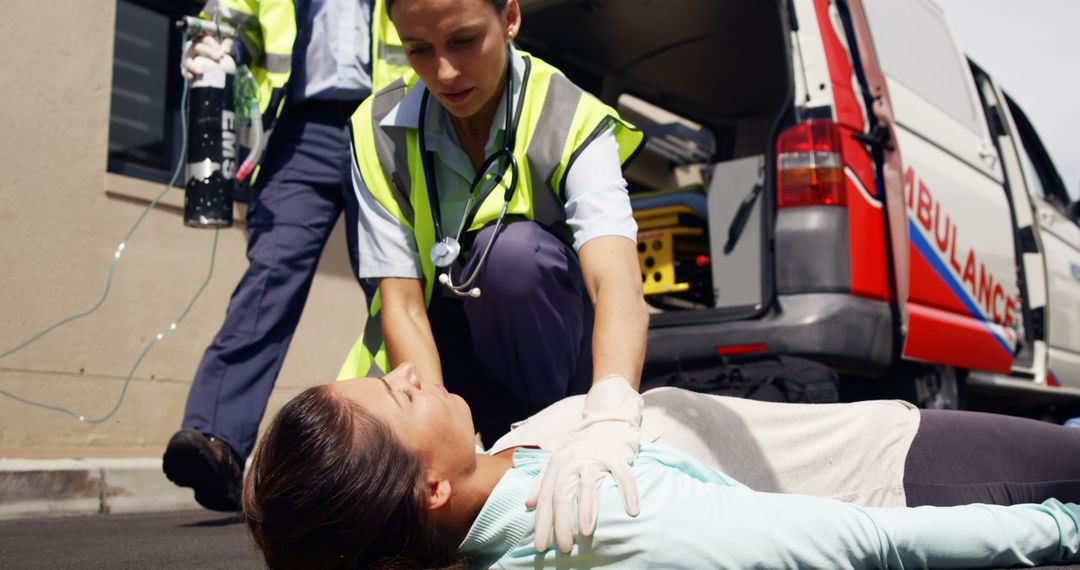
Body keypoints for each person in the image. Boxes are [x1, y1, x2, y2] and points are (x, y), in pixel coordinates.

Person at [338, 0, 649, 547]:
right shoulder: (374, 130)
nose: (445, 73)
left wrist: (611, 417)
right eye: (419, 50)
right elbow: (403, 303)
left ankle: (537, 451)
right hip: (436, 358)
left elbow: (616, 278)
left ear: (510, 18)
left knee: (512, 259)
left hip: (546, 361)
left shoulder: (569, 115)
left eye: (463, 42)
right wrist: (432, 449)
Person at [242, 368, 1080, 569]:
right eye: (397, 393)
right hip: (894, 472)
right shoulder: (590, 516)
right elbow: (854, 538)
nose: (411, 371)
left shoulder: (490, 491)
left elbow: (300, 515)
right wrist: (1061, 528)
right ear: (427, 487)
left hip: (866, 444)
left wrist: (271, 504)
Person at [162, 0, 410, 512]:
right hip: (299, 131)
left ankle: (411, 446)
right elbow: (237, 23)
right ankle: (217, 439)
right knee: (271, 274)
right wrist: (218, 45)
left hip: (389, 128)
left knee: (398, 286)